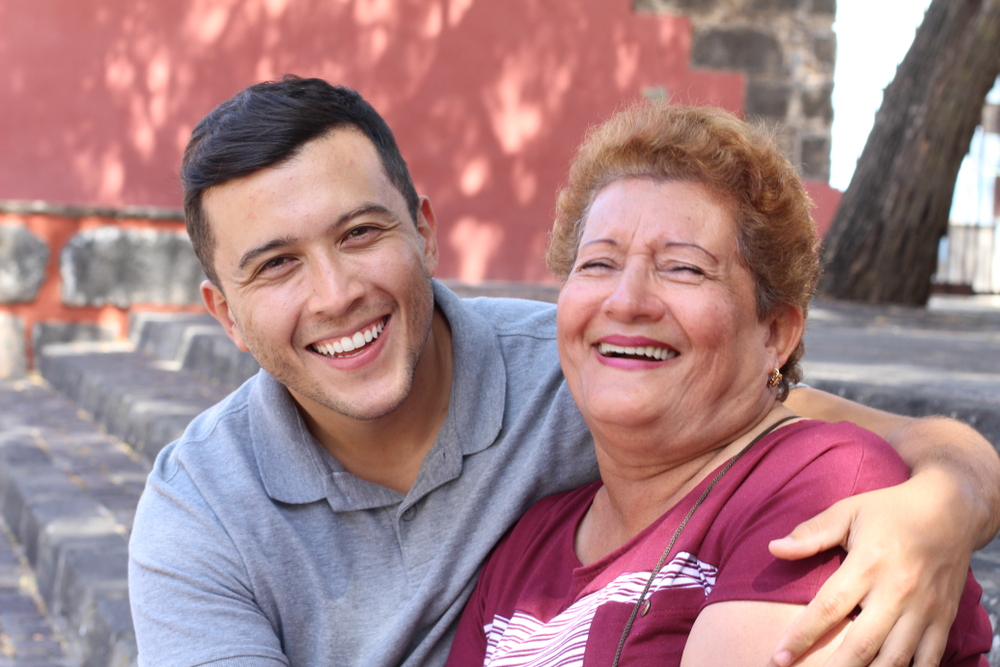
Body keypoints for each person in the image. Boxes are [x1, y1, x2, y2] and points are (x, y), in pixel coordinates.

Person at [127, 76, 1000, 667]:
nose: (336, 293)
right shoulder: (200, 514)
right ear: (225, 314)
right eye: (276, 265)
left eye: (360, 234)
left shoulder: (583, 367)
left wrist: (948, 500)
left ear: (425, 232)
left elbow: (840, 434)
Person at [445, 103, 992, 667]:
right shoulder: (527, 543)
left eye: (684, 268)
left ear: (775, 333)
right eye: (598, 264)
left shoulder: (827, 487)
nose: (626, 301)